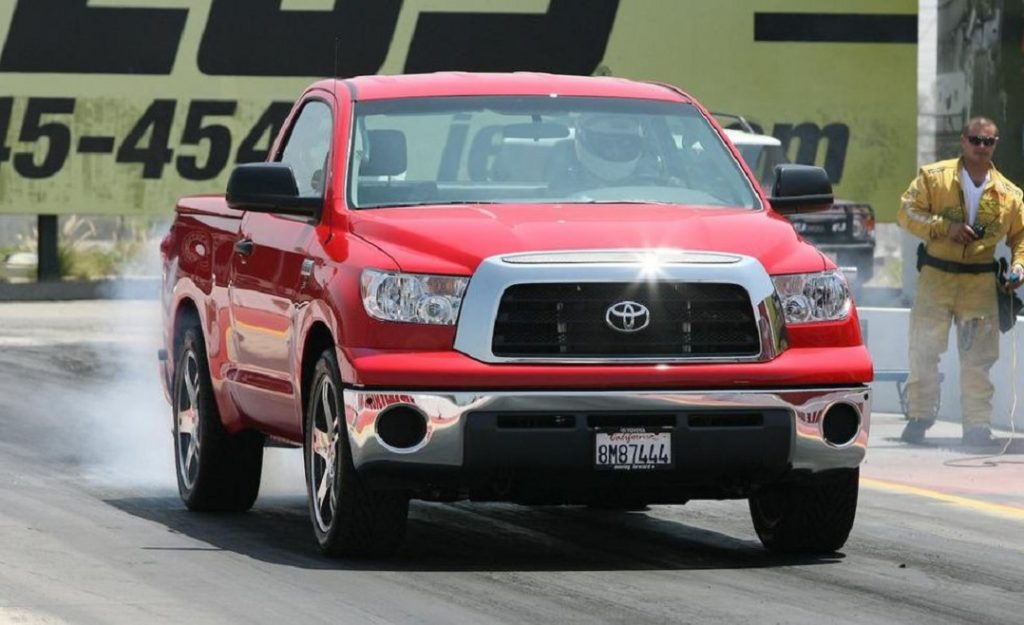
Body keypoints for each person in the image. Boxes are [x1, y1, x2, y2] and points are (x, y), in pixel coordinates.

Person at [896, 116, 1024, 446]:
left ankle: (977, 427)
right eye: (976, 140)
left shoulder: (1010, 194)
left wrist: (1019, 266)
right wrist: (945, 227)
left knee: (978, 359)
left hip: (979, 282)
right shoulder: (933, 177)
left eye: (988, 141)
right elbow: (907, 212)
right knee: (923, 350)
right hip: (936, 276)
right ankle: (920, 416)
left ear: (995, 145)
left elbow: (1021, 236)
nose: (981, 147)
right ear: (963, 141)